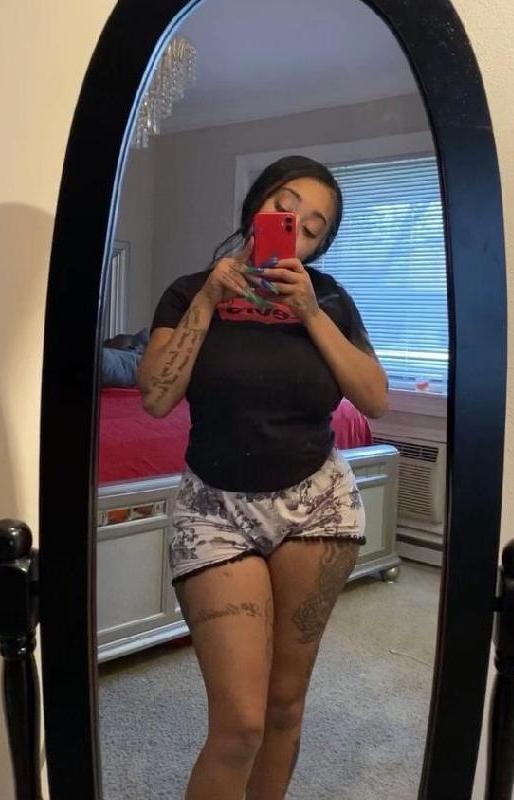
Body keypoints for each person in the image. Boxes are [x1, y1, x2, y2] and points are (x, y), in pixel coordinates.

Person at [137, 155, 388, 800]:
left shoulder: (329, 299)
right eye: (284, 206)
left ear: (318, 246)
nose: (294, 227)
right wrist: (209, 298)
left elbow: (374, 398)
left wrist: (310, 313)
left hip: (318, 505)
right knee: (239, 725)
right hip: (214, 510)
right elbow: (157, 398)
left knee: (283, 706)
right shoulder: (189, 290)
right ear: (256, 207)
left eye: (313, 227)